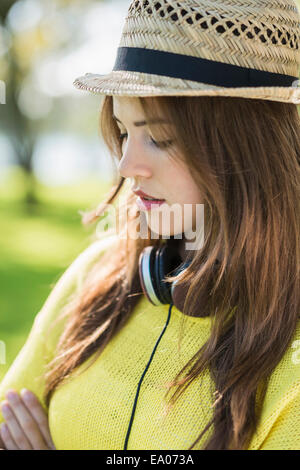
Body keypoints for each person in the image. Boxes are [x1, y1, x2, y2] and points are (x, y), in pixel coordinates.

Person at [0, 0, 300, 450]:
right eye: (123, 131)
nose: (126, 165)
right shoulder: (96, 274)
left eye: (158, 138)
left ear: (247, 149)